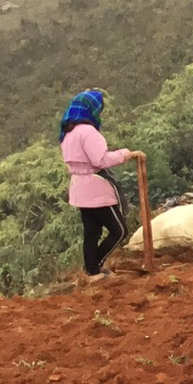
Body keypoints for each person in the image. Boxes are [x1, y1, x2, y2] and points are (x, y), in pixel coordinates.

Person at [58, 88, 144, 281]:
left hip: (79, 187)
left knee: (92, 231)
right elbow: (101, 160)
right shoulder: (88, 132)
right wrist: (126, 154)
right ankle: (95, 264)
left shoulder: (67, 133)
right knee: (119, 229)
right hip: (96, 187)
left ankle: (92, 271)